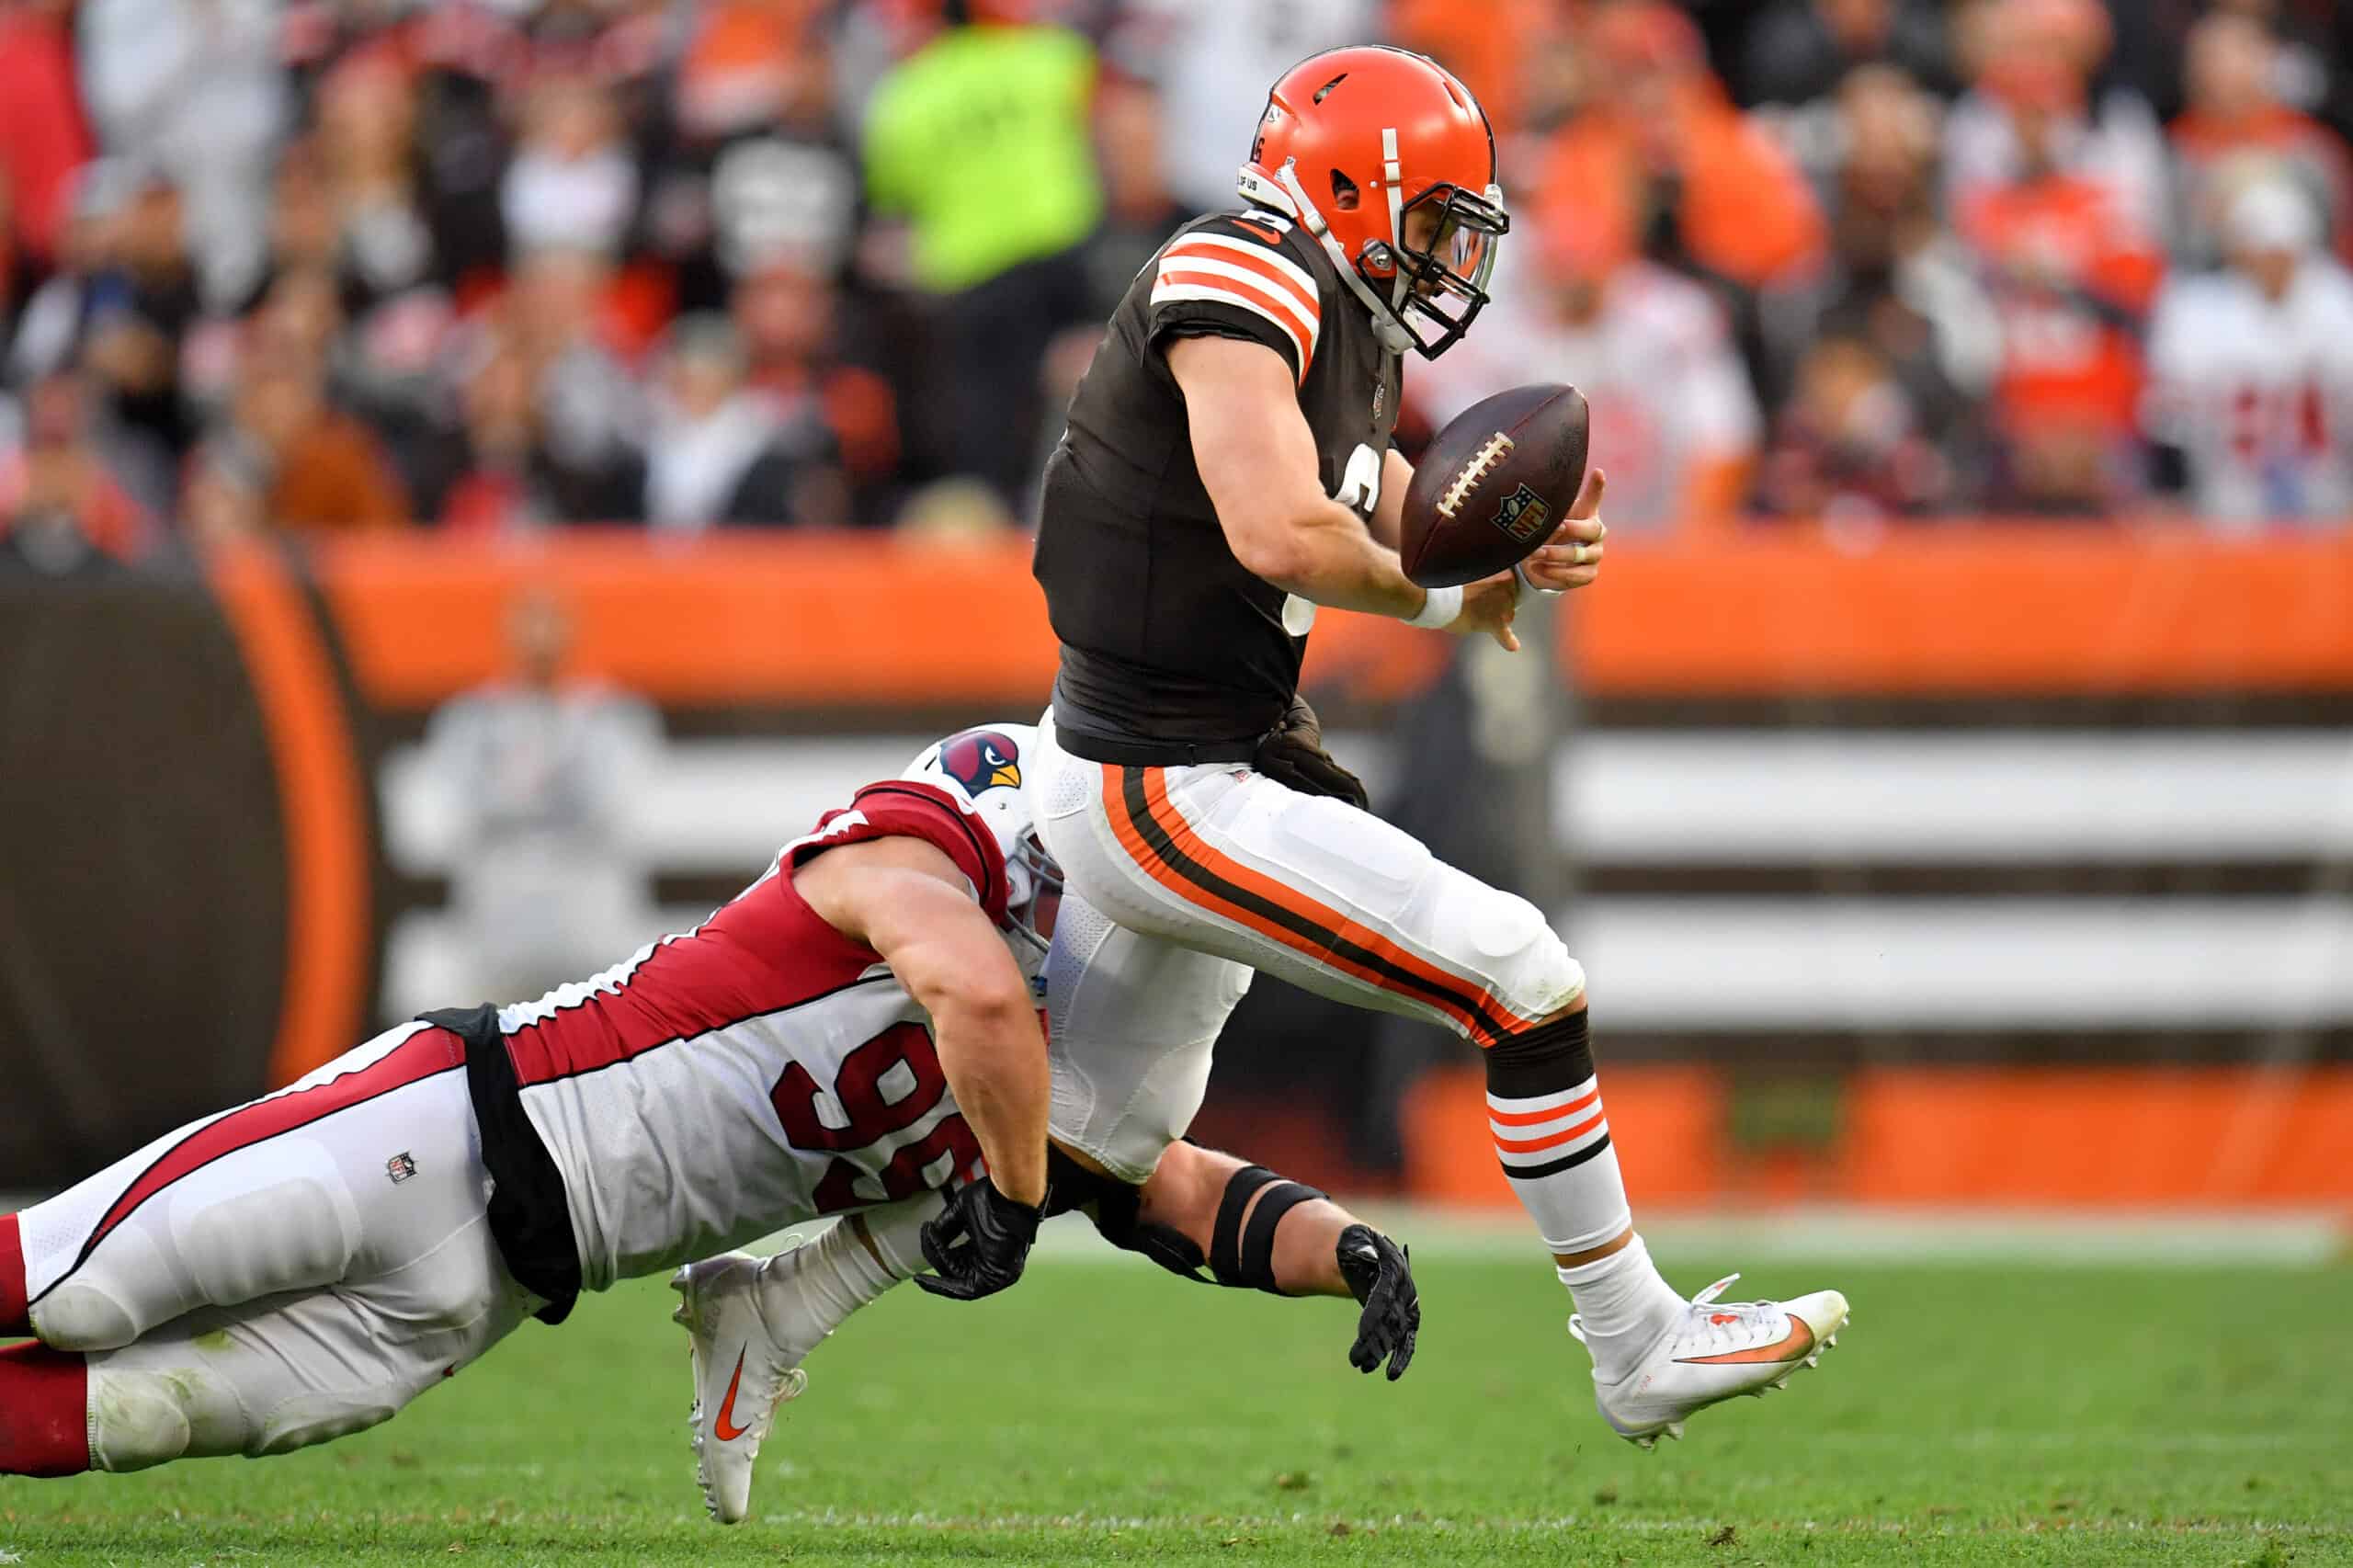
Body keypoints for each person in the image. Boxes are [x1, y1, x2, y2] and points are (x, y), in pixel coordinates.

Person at [1025, 44, 1848, 1449]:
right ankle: (1636, 1338)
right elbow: (1282, 530)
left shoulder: (1325, 307)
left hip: (1197, 759)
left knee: (1072, 1140)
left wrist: (1497, 560)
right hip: (1159, 775)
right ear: (1349, 189)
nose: (1447, 258)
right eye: (1431, 220)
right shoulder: (1242, 275)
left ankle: (770, 1293)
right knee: (1523, 974)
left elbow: (1366, 488)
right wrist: (1451, 589)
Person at [0, 723, 1417, 1492]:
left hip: (483, 1300)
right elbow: (969, 993)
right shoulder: (987, 808)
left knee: (128, 1416)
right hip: (438, 1128)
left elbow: (1167, 1189)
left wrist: (1345, 1251)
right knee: (68, 1286)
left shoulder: (1094, 1047)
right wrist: (1019, 1191)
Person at [2143, 180, 2353, 528]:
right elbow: (2167, 420)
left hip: (2327, 495)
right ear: (2238, 251)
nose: (2275, 264)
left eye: (2284, 251)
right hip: (2225, 498)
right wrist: (2172, 491)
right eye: (2263, 250)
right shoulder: (2195, 309)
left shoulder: (2338, 302)